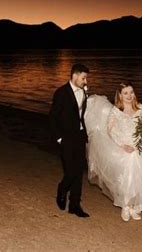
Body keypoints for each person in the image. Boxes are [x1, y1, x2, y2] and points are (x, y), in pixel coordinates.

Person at [85, 82, 142, 221]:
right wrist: (122, 145)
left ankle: (134, 207)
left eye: (131, 92)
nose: (129, 96)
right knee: (128, 178)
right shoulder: (116, 110)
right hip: (124, 148)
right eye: (125, 93)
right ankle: (126, 207)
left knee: (141, 179)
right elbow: (110, 131)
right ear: (120, 95)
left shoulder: (140, 108)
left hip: (140, 148)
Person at [49, 63, 90, 218]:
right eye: (83, 77)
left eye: (86, 78)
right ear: (74, 75)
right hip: (66, 137)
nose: (85, 81)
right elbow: (53, 117)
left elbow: (82, 114)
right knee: (71, 170)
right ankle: (62, 189)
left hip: (80, 136)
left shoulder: (83, 92)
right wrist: (59, 138)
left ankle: (74, 205)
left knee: (79, 172)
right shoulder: (61, 92)